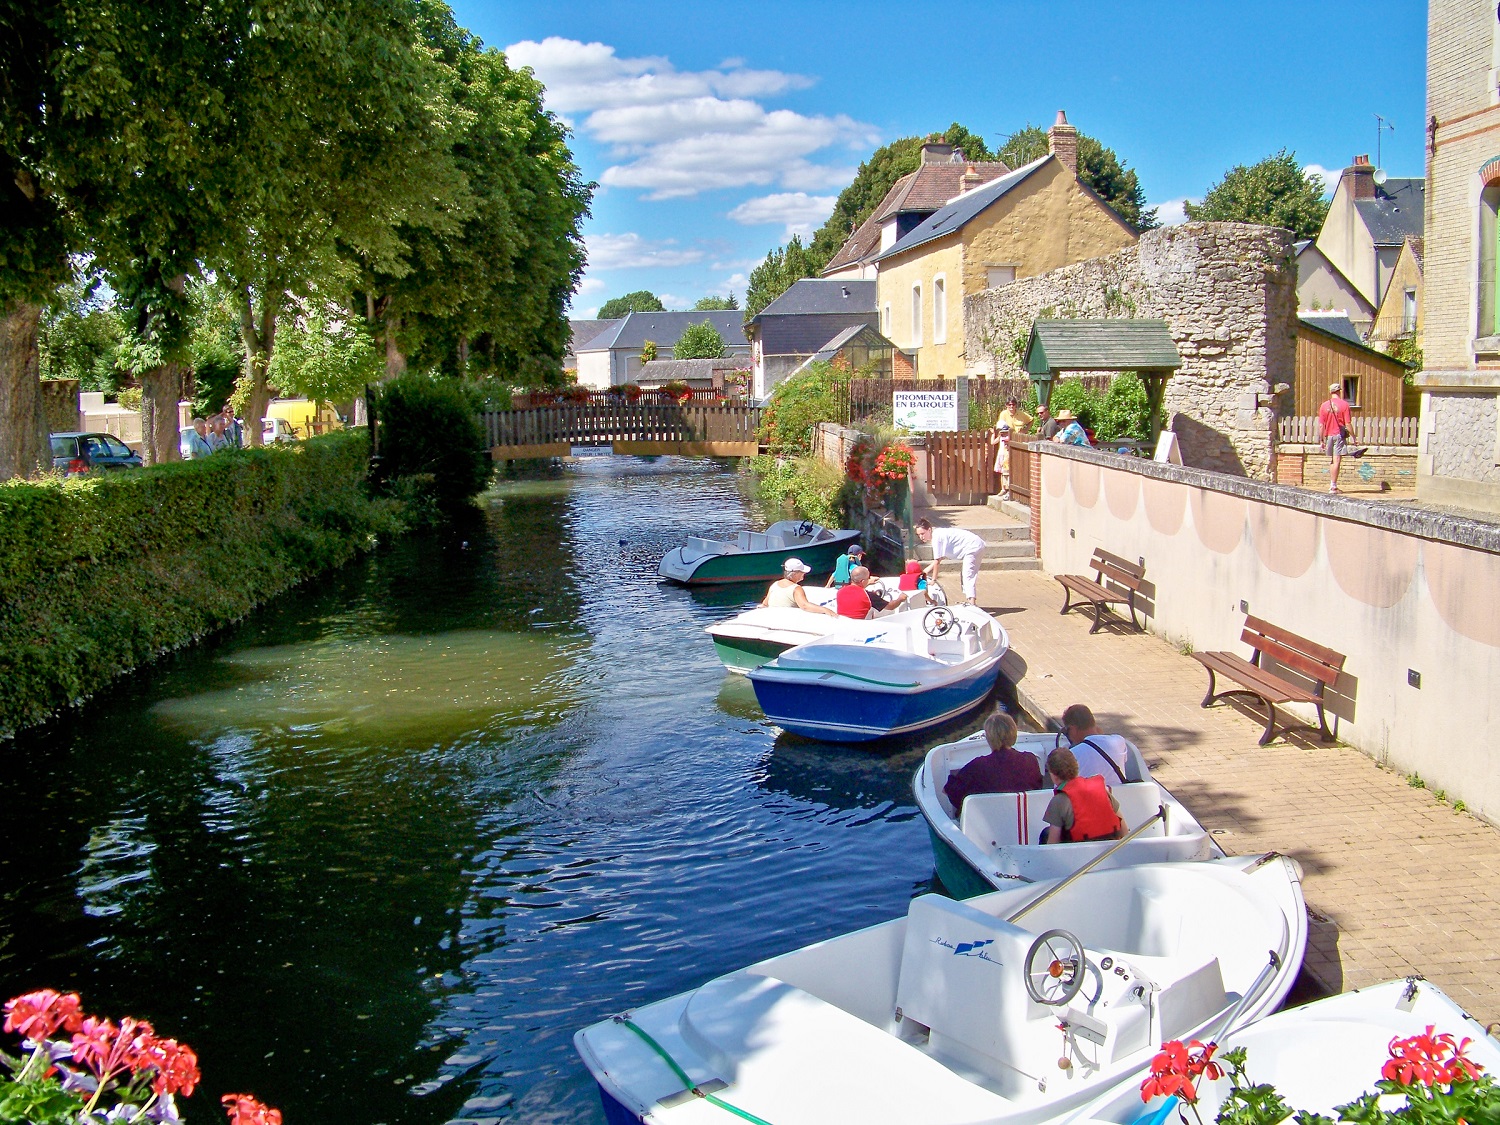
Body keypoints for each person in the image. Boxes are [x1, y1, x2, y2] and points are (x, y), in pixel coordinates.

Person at [943, 711, 1044, 815]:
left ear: (988, 738)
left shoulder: (978, 766)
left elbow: (951, 791)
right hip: (1025, 820)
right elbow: (1038, 787)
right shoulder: (1030, 760)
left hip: (987, 824)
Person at [1041, 747, 1124, 844]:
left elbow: (1052, 845)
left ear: (1053, 775)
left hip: (1079, 854)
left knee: (1045, 834)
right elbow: (1124, 831)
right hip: (1109, 849)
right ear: (1076, 766)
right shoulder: (1102, 790)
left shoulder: (1059, 800)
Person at [1058, 703, 1139, 783]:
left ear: (1073, 729)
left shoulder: (1071, 756)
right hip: (1117, 795)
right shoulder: (1119, 741)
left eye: (1067, 731)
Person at [915, 517, 986, 605]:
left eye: (922, 533)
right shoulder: (938, 534)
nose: (921, 537)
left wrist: (933, 579)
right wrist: (925, 571)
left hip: (973, 546)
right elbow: (940, 558)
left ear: (929, 530)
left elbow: (937, 561)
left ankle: (972, 605)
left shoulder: (937, 538)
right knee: (966, 575)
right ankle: (970, 602)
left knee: (968, 575)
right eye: (918, 535)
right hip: (976, 544)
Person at [760, 558, 837, 615]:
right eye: (802, 572)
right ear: (796, 573)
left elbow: (765, 603)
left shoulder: (775, 585)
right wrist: (825, 610)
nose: (804, 574)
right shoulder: (796, 588)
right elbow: (805, 606)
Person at [835, 565, 909, 619]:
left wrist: (868, 582)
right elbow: (891, 606)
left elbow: (855, 590)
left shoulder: (840, 592)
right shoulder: (868, 596)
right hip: (860, 628)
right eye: (868, 578)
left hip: (843, 624)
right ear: (863, 581)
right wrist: (900, 599)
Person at [1318, 381, 1353, 493]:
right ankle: (1333, 486)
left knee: (1333, 460)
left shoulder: (1324, 405)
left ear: (1330, 392)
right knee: (1337, 459)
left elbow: (1321, 425)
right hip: (1338, 435)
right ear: (1339, 391)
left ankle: (1332, 484)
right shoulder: (1344, 405)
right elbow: (1348, 423)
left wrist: (1321, 440)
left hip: (1328, 435)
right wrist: (1354, 437)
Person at [992, 423, 1014, 499]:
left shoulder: (1009, 438)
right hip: (1001, 454)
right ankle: (1003, 489)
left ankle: (1007, 489)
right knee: (1002, 473)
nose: (1004, 434)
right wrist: (994, 434)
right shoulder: (1000, 437)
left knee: (1007, 473)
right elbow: (993, 442)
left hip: (1006, 455)